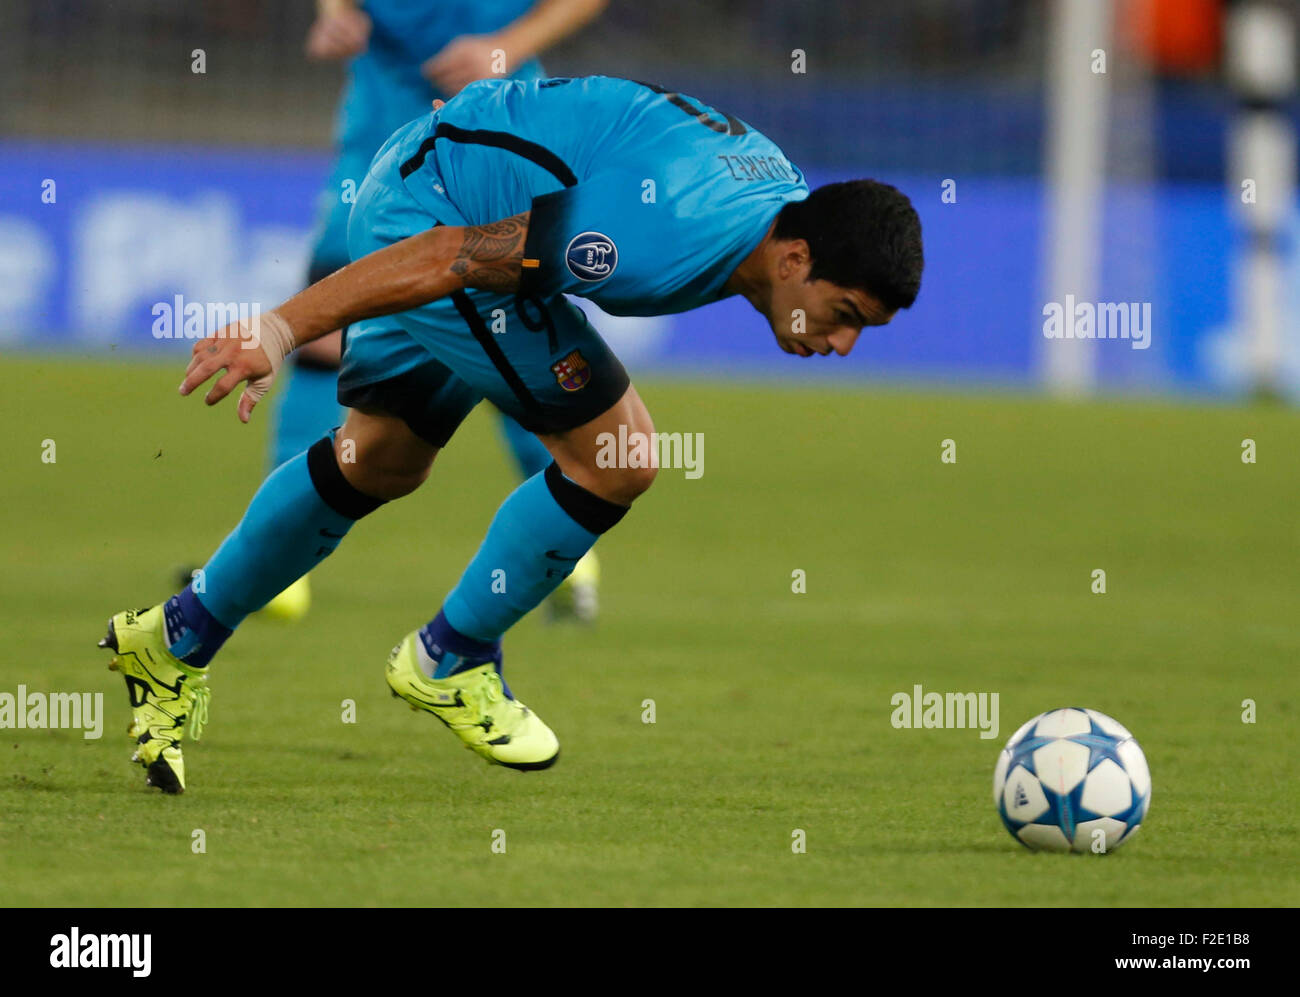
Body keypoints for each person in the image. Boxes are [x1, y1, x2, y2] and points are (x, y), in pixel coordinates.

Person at [100, 76, 923, 793]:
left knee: (379, 459)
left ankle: (174, 637)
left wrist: (483, 123)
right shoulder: (654, 234)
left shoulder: (778, 198)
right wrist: (281, 328)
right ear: (796, 258)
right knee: (620, 458)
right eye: (843, 314)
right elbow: (456, 256)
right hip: (437, 218)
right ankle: (450, 657)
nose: (840, 344)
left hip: (441, 177)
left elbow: (614, 121)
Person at [262, 0, 608, 622]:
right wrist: (335, 12)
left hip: (498, 130)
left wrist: (509, 44)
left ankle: (565, 539)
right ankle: (280, 567)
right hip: (382, 129)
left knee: (513, 335)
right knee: (323, 333)